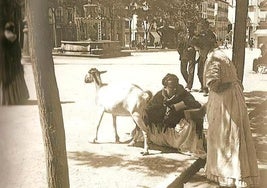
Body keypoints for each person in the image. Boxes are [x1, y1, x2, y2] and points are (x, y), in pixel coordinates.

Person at [191, 34, 259, 187]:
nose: (199, 54)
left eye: (199, 50)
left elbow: (214, 84)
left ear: (204, 48)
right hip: (234, 98)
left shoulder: (212, 59)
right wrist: (233, 85)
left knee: (224, 135)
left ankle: (226, 173)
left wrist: (225, 88)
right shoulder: (221, 55)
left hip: (224, 101)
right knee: (235, 134)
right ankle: (240, 172)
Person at [144, 73, 206, 187]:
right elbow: (148, 111)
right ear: (165, 87)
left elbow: (195, 104)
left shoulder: (182, 93)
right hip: (163, 130)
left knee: (190, 124)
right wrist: (163, 110)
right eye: (171, 88)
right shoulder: (159, 95)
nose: (174, 89)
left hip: (178, 129)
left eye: (176, 86)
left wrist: (178, 106)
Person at [0, 21, 29, 105]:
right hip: (14, 64)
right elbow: (17, 52)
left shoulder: (3, 38)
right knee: (16, 81)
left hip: (5, 64)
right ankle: (16, 98)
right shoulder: (14, 38)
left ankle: (6, 100)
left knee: (6, 82)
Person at [195, 19, 217, 96]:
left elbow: (214, 44)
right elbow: (194, 43)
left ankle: (206, 89)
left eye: (202, 26)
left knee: (207, 73)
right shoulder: (199, 35)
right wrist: (197, 47)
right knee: (199, 73)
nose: (201, 28)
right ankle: (202, 86)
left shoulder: (211, 34)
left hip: (208, 56)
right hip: (201, 56)